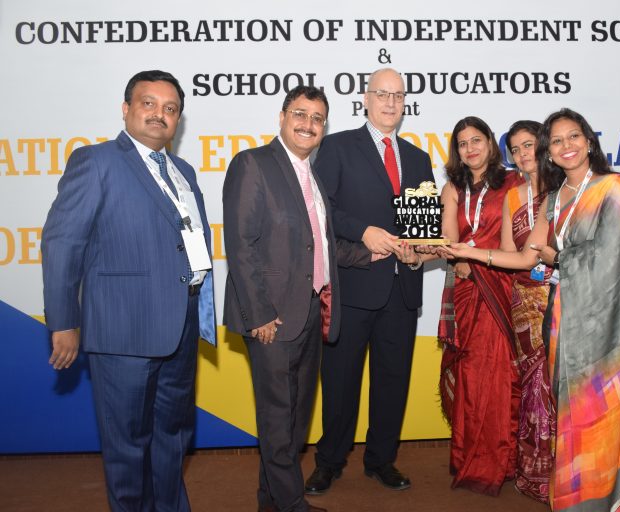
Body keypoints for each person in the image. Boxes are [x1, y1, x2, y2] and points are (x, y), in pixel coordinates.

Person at [447, 108, 620, 512]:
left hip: (611, 326)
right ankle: (580, 497)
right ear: (550, 151)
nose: (566, 146)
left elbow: (611, 258)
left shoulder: (615, 187)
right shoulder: (555, 200)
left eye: (573, 137)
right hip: (564, 320)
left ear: (589, 141)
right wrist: (467, 252)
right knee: (573, 412)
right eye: (556, 141)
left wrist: (559, 258)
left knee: (610, 412)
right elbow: (526, 258)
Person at [41, 70, 216, 511]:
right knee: (128, 448)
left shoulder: (183, 171)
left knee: (173, 438)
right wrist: (64, 322)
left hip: (181, 326)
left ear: (178, 120)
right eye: (148, 103)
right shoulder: (96, 161)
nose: (160, 114)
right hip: (124, 331)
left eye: (170, 108)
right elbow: (62, 243)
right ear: (126, 109)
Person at [223, 85, 375, 512]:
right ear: (282, 117)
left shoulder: (312, 175)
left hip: (311, 311)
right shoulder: (252, 164)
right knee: (277, 418)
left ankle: (271, 501)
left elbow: (322, 246)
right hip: (271, 317)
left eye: (317, 118)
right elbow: (241, 245)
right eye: (300, 114)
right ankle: (291, 505)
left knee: (293, 419)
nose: (308, 124)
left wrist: (375, 253)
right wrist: (259, 314)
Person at [305, 68, 433, 495]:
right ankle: (329, 461)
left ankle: (382, 460)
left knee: (393, 382)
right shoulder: (337, 146)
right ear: (365, 98)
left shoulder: (418, 158)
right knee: (340, 382)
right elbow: (323, 209)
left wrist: (418, 251)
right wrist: (363, 231)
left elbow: (423, 228)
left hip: (402, 290)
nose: (391, 102)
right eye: (382, 94)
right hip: (354, 286)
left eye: (398, 95)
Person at [435, 116, 522, 495]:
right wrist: (417, 251)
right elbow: (447, 240)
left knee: (500, 374)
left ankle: (501, 460)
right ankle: (468, 454)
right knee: (471, 374)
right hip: (466, 289)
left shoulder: (513, 183)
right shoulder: (452, 187)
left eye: (476, 140)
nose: (470, 149)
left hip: (500, 284)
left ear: (490, 143)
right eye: (462, 143)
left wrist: (476, 260)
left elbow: (513, 244)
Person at [501, 120, 557, 502]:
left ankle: (569, 469)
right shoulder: (512, 197)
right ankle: (536, 472)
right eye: (516, 149)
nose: (523, 154)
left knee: (560, 381)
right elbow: (511, 254)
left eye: (529, 145)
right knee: (534, 384)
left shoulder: (565, 190)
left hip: (563, 295)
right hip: (524, 300)